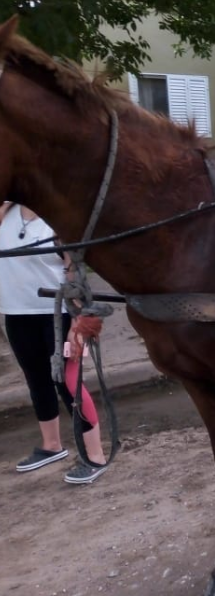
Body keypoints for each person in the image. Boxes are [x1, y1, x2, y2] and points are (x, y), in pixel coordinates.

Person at [0, 202, 109, 484]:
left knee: (68, 381)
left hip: (58, 314)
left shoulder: (55, 215)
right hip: (17, 313)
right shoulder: (6, 214)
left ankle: (95, 455)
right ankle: (51, 446)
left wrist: (78, 318)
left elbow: (73, 270)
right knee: (36, 379)